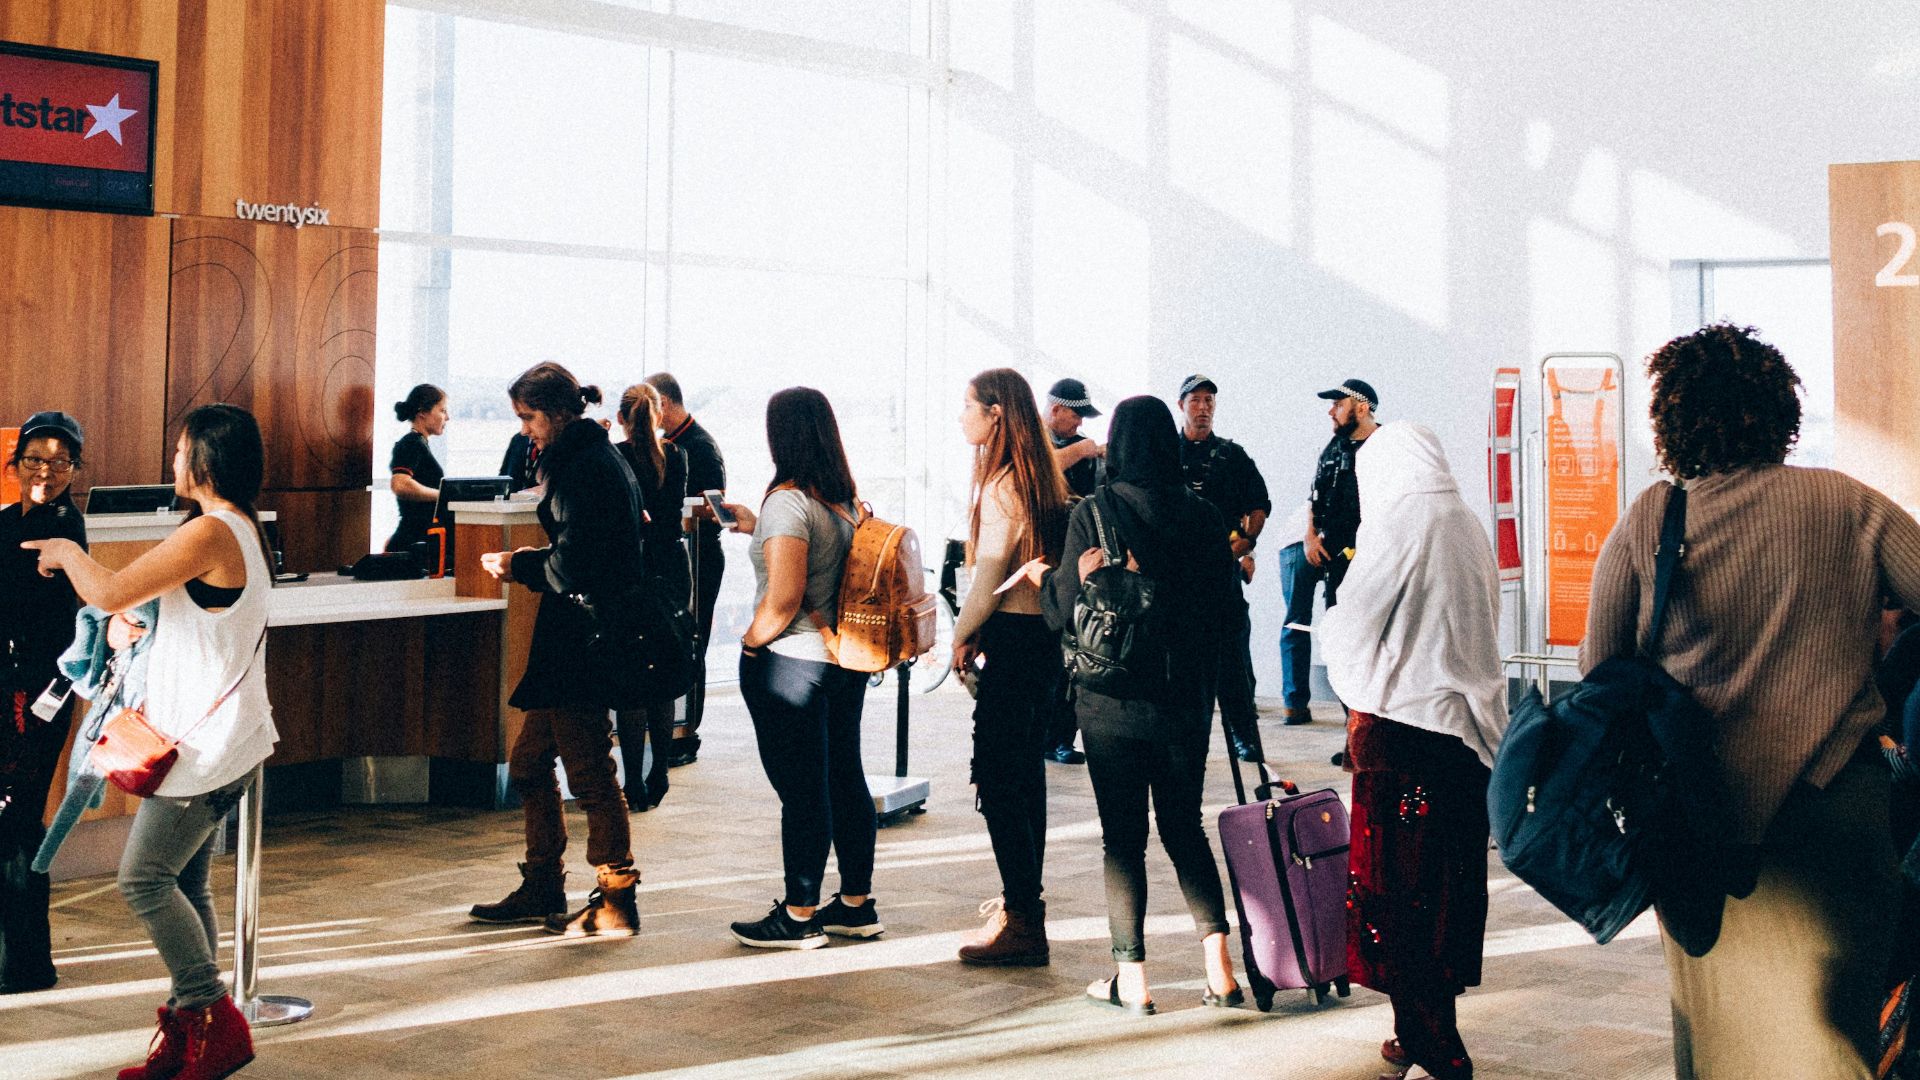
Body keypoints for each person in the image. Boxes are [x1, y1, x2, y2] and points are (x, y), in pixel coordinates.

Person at [1581, 324, 1920, 1080]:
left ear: (1670, 420)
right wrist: (1887, 686)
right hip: (1838, 819)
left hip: (1696, 827)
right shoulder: (1845, 504)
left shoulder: (1649, 521)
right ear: (1779, 411)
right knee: (1831, 1042)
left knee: (1719, 1036)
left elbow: (1600, 669)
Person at [23, 403, 280, 1080]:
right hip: (228, 738)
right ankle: (193, 1037)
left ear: (206, 460)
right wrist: (127, 627)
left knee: (143, 880)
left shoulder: (213, 530)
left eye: (179, 451)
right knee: (184, 881)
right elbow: (169, 613)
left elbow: (107, 590)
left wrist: (67, 552)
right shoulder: (235, 529)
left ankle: (211, 1016)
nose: (171, 462)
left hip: (205, 748)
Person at [1041, 395, 1243, 1014]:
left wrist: (1056, 577)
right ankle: (1221, 971)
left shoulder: (1094, 515)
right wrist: (1233, 705)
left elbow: (1060, 614)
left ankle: (1132, 980)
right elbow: (1230, 617)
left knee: (1122, 839)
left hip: (1111, 704)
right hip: (1186, 700)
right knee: (1185, 828)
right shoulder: (1207, 518)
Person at [1317, 422, 1505, 1080]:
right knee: (1445, 893)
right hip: (1464, 737)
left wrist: (1332, 628)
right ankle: (1413, 1032)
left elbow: (1356, 621)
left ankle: (1439, 1050)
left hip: (1403, 737)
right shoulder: (1467, 523)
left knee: (1401, 897)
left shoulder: (1400, 525)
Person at [471, 362, 645, 939]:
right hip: (576, 636)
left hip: (580, 642)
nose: (525, 430)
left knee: (590, 770)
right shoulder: (596, 458)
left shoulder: (580, 467)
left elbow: (573, 563)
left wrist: (515, 563)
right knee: (527, 764)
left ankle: (616, 899)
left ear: (558, 412)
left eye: (528, 417)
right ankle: (543, 882)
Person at [717, 387, 881, 949]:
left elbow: (784, 599)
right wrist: (750, 526)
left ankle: (800, 913)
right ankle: (855, 905)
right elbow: (823, 566)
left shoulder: (787, 502)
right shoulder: (845, 501)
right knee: (845, 779)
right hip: (844, 662)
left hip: (793, 665)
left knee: (803, 792)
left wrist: (750, 642)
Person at [951, 369, 1071, 965]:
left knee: (998, 779)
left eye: (968, 406)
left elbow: (989, 577)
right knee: (1023, 777)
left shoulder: (1004, 486)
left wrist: (960, 634)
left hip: (1017, 646)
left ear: (996, 413)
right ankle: (1026, 911)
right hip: (1039, 641)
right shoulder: (1039, 478)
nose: (962, 417)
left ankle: (1023, 919)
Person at [0, 412, 87, 995]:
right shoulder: (11, 520)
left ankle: (26, 962)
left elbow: (41, 619)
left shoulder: (62, 530)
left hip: (36, 696)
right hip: (11, 687)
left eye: (59, 462)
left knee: (16, 818)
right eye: (35, 459)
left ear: (74, 470)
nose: (46, 471)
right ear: (15, 463)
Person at [1176, 374, 1270, 762]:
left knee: (1234, 664)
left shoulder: (1233, 456)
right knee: (1180, 666)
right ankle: (1180, 735)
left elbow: (1259, 503)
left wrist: (1247, 542)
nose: (1203, 407)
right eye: (1196, 400)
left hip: (1222, 577)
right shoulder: (1166, 454)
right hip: (1177, 580)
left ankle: (1244, 736)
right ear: (1182, 405)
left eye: (1209, 401)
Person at [1278, 378, 1380, 725]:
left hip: (1368, 563)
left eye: (1339, 404)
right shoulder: (1333, 448)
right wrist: (1310, 536)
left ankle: (1368, 730)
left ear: (1362, 407)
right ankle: (1352, 731)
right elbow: (1314, 496)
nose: (1331, 411)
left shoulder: (1386, 446)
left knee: (1364, 645)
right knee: (1336, 642)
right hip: (1331, 558)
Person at [612, 382, 689, 812]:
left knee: (631, 682)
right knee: (663, 678)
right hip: (671, 571)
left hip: (633, 571)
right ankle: (659, 769)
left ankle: (632, 782)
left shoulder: (615, 458)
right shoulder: (676, 457)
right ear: (659, 415)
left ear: (622, 418)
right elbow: (671, 515)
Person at [646, 372, 727, 767]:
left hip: (701, 559)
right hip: (680, 558)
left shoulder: (700, 447)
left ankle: (686, 729)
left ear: (663, 403)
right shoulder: (671, 444)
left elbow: (711, 508)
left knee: (692, 641)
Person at [1042, 378, 1101, 765]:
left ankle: (1063, 737)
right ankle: (1048, 737)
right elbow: (1039, 468)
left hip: (1078, 561)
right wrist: (1083, 450)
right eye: (1075, 415)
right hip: (1044, 563)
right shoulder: (1035, 443)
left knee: (1074, 655)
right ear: (1056, 410)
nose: (1080, 424)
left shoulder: (1086, 453)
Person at [385, 384, 448, 556]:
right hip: (412, 540)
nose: (447, 418)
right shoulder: (411, 443)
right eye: (442, 410)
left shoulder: (420, 443)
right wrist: (443, 496)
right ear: (423, 412)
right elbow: (400, 485)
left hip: (416, 536)